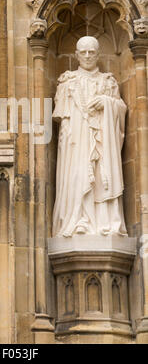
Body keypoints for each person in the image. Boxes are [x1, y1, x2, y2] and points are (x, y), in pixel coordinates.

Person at [52, 36, 127, 237]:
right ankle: (78, 220)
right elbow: (63, 121)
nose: (87, 56)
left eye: (91, 52)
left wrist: (107, 103)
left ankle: (104, 222)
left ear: (98, 54)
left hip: (103, 141)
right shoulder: (67, 82)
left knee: (102, 178)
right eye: (83, 52)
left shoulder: (108, 82)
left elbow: (121, 109)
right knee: (77, 176)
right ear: (76, 55)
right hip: (76, 142)